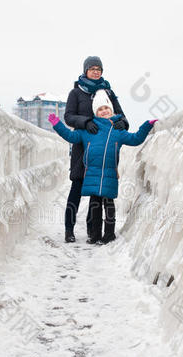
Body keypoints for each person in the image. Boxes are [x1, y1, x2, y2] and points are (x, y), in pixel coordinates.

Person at [48, 90, 157, 245]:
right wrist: (57, 124)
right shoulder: (89, 130)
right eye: (100, 109)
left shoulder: (118, 130)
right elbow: (71, 137)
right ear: (95, 112)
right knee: (95, 206)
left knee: (109, 205)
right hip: (92, 173)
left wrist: (147, 125)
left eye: (106, 108)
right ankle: (94, 235)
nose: (104, 111)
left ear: (111, 109)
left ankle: (109, 234)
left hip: (109, 173)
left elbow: (135, 139)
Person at [62, 56, 129, 243]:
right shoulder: (76, 93)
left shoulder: (108, 92)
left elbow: (121, 115)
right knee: (77, 186)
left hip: (103, 147)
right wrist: (86, 122)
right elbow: (68, 117)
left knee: (98, 191)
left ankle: (94, 230)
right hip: (82, 145)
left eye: (99, 69)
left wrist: (122, 123)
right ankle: (69, 229)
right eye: (92, 68)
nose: (96, 71)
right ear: (85, 71)